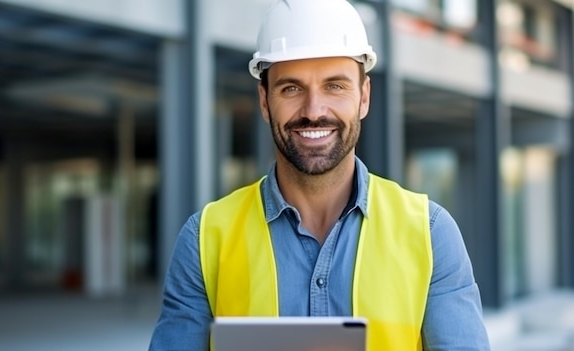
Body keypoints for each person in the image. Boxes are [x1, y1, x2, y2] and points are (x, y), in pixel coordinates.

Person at [149, 0, 491, 349]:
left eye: (335, 86)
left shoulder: (430, 234)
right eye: (292, 88)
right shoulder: (205, 239)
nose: (314, 111)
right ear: (265, 101)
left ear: (364, 97)